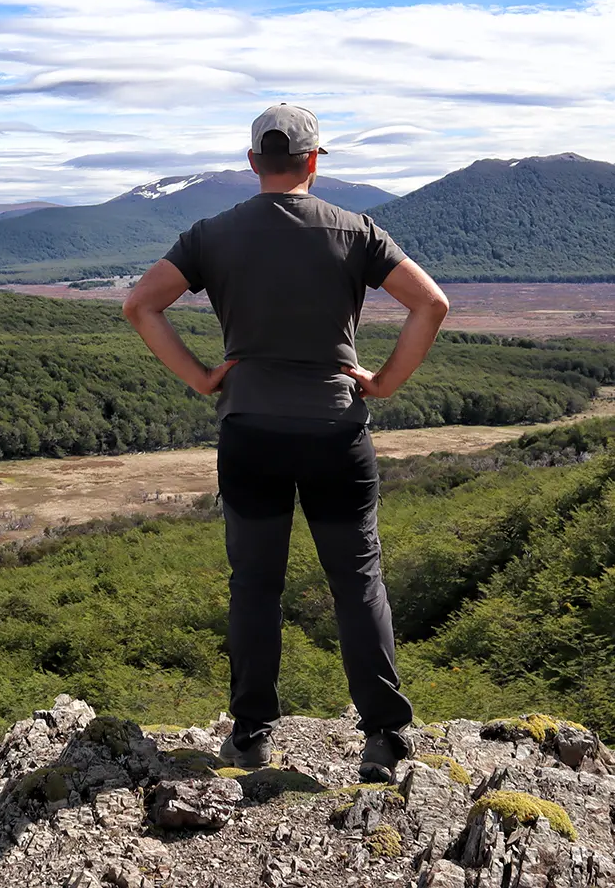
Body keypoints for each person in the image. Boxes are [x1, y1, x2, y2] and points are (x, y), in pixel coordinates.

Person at [122, 103, 450, 782]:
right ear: (313, 160)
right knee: (357, 582)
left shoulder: (212, 233)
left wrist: (203, 377)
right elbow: (431, 303)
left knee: (255, 586)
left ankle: (249, 736)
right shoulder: (355, 230)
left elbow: (140, 304)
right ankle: (384, 738)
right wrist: (383, 382)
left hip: (250, 432)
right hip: (336, 430)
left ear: (252, 163)